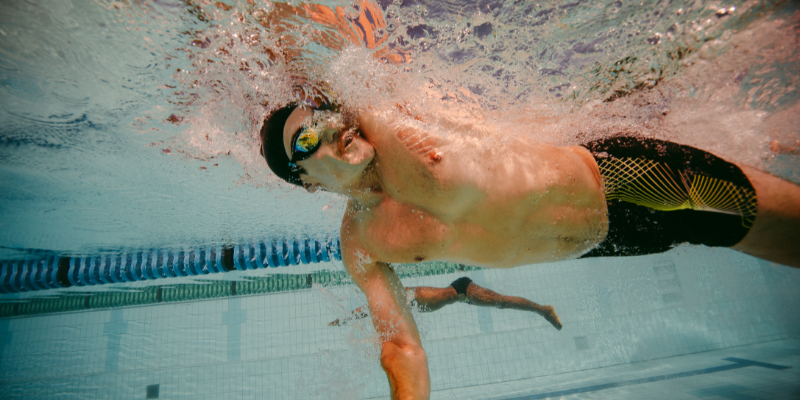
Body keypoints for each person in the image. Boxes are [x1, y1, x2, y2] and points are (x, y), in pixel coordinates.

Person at [260, 101, 800, 399]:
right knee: (732, 234)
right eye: (308, 138)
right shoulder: (360, 244)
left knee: (772, 223)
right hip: (608, 241)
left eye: (326, 114)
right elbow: (401, 347)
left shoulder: (392, 122)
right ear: (305, 180)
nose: (330, 129)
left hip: (618, 177)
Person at [328, 277, 563, 331]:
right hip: (461, 294)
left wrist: (344, 319)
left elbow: (368, 311)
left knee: (501, 302)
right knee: (500, 303)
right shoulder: (401, 300)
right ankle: (542, 310)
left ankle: (543, 310)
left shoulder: (404, 296)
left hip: (463, 290)